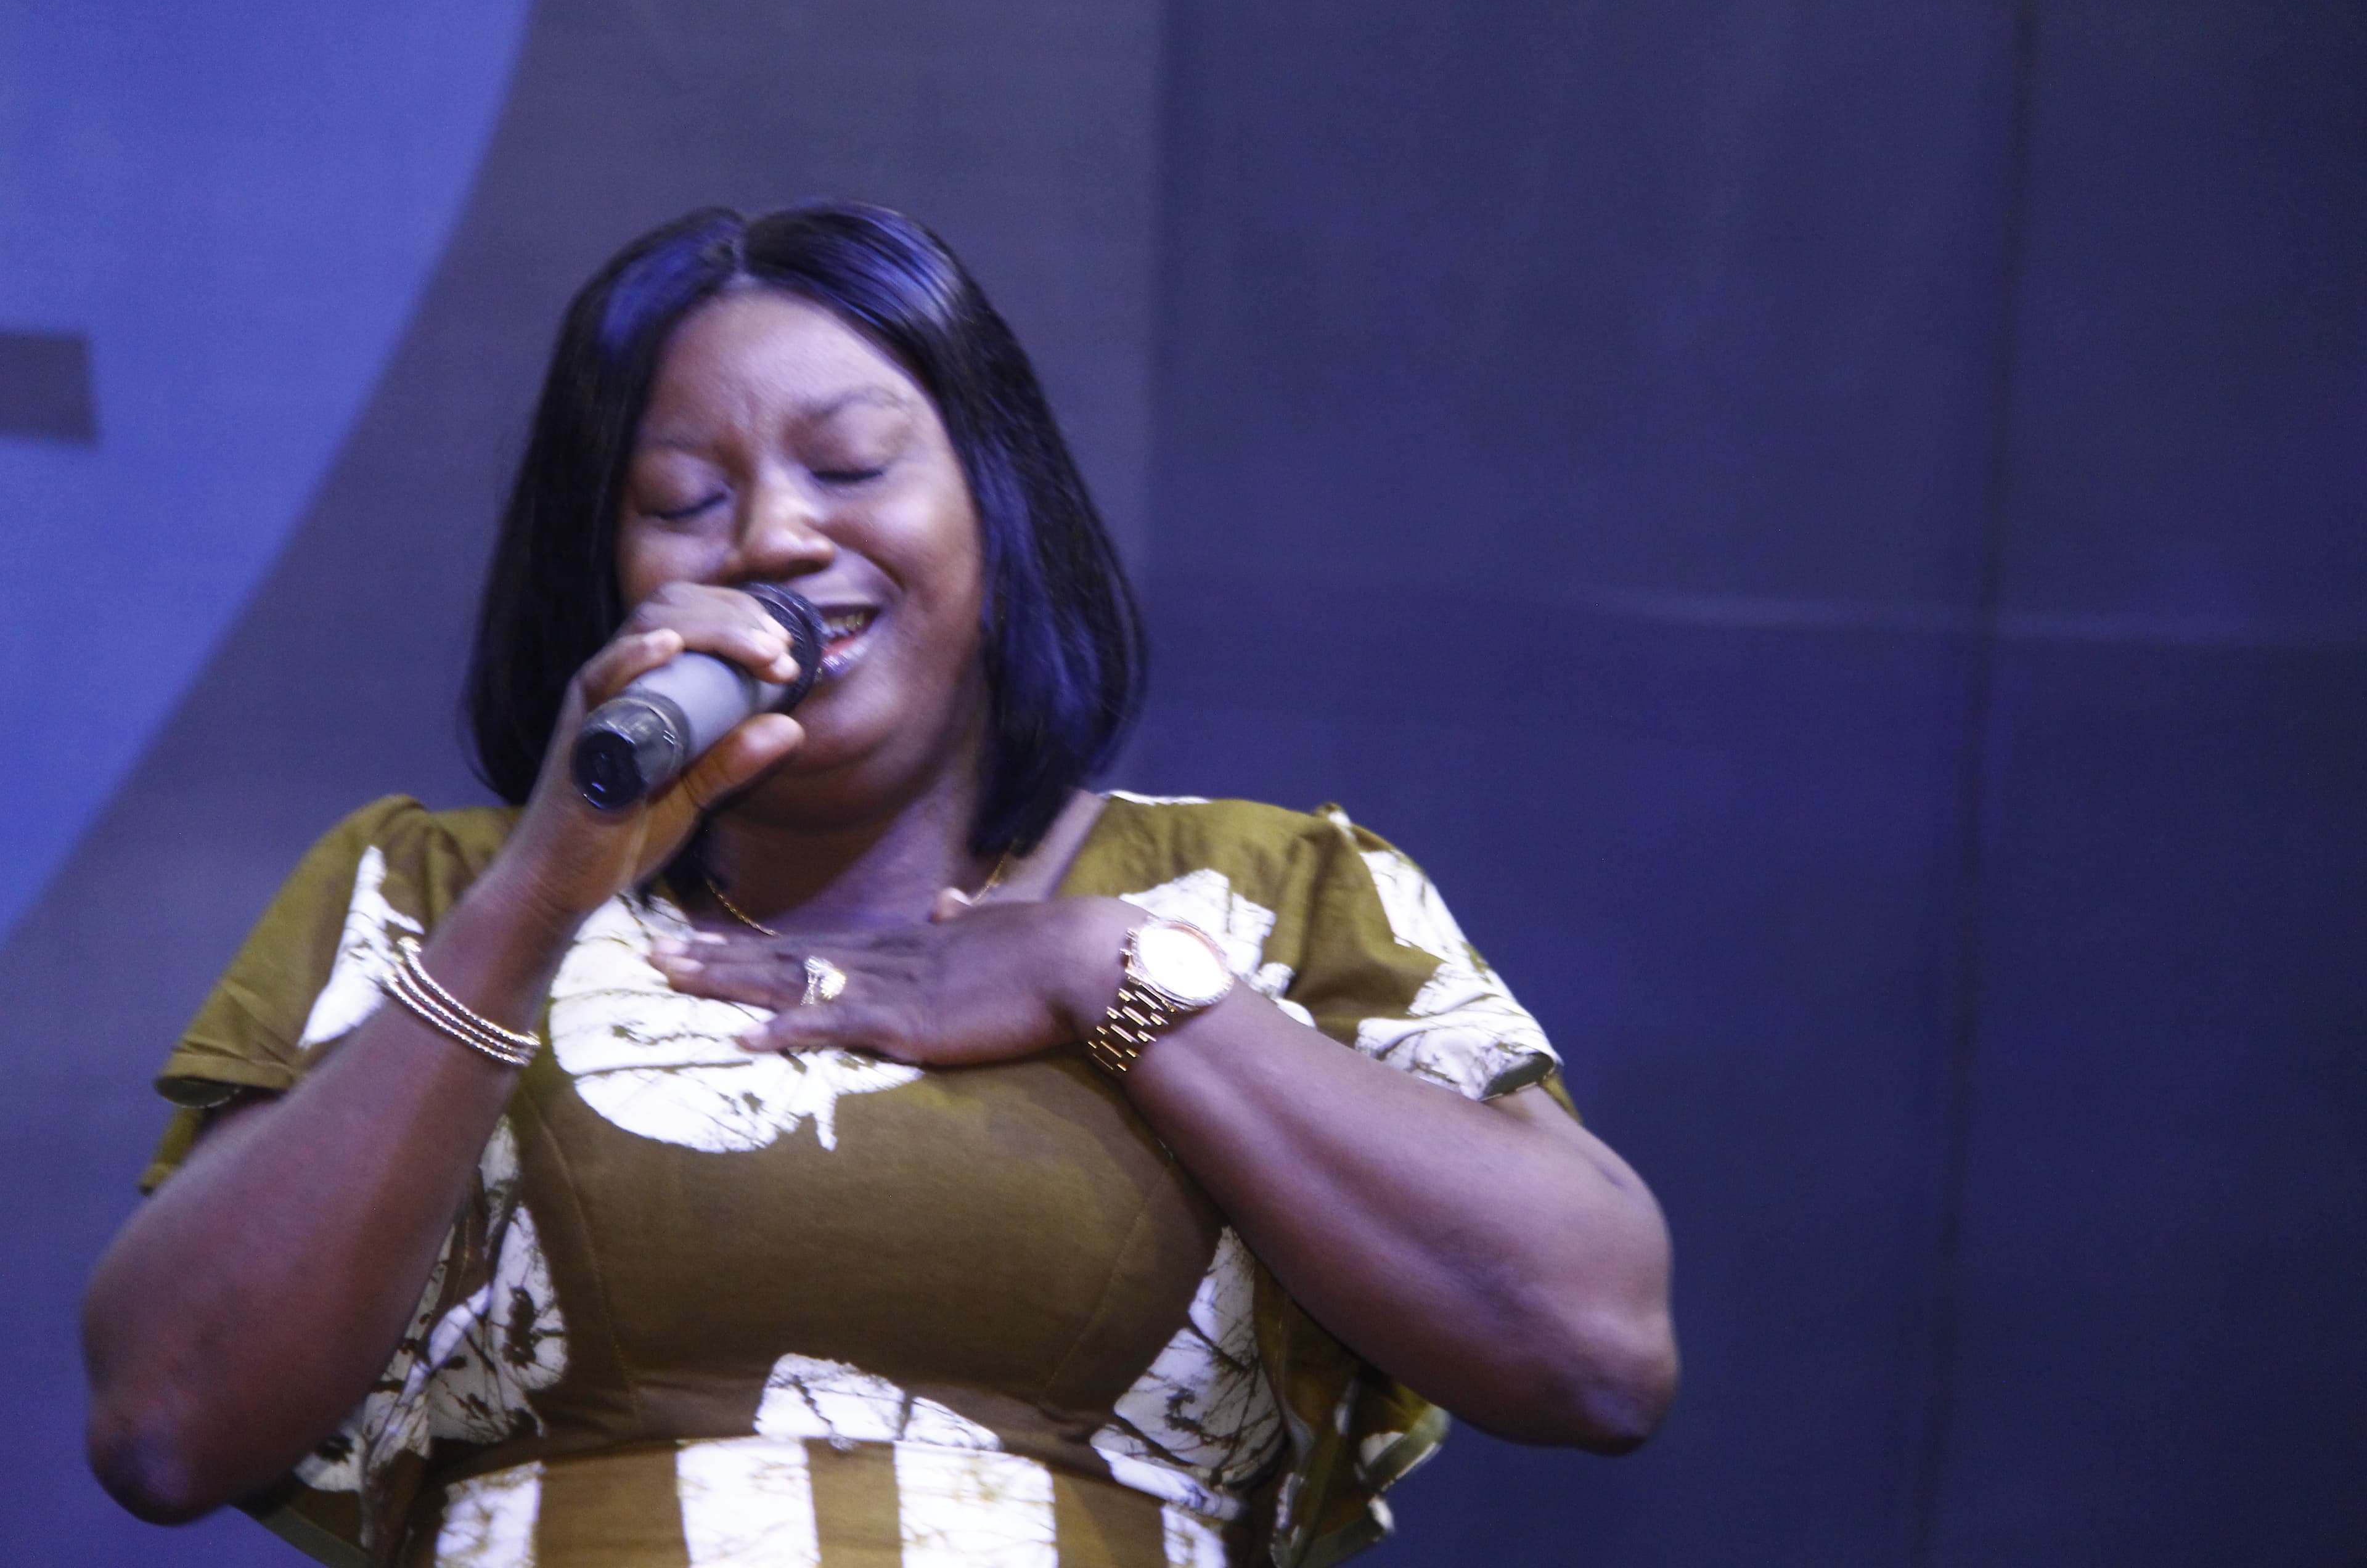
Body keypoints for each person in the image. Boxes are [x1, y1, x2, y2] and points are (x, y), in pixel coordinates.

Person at [81, 202, 1676, 1568]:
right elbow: (165, 1424)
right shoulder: (431, 893)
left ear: (996, 504)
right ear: (608, 570)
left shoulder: (1270, 893)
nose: (776, 534)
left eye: (850, 466)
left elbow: (1596, 1351)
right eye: (685, 501)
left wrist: (1107, 977)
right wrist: (537, 898)